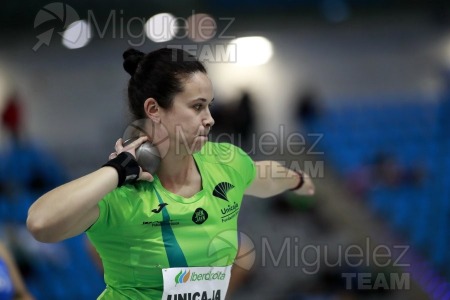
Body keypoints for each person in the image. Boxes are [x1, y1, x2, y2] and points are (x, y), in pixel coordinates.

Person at [26, 47, 315, 299]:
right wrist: (116, 170)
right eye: (197, 107)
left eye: (209, 106)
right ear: (153, 109)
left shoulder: (224, 161)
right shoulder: (122, 193)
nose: (210, 119)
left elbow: (261, 176)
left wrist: (297, 180)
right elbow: (41, 223)